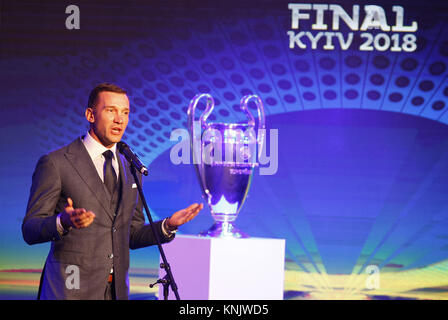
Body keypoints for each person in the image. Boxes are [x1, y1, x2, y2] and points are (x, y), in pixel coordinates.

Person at [22, 83, 203, 300]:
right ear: (90, 114)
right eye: (111, 111)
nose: (120, 119)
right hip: (69, 289)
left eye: (125, 112)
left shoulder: (130, 166)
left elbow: (131, 234)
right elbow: (30, 229)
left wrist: (167, 225)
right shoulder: (56, 163)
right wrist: (63, 221)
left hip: (115, 291)